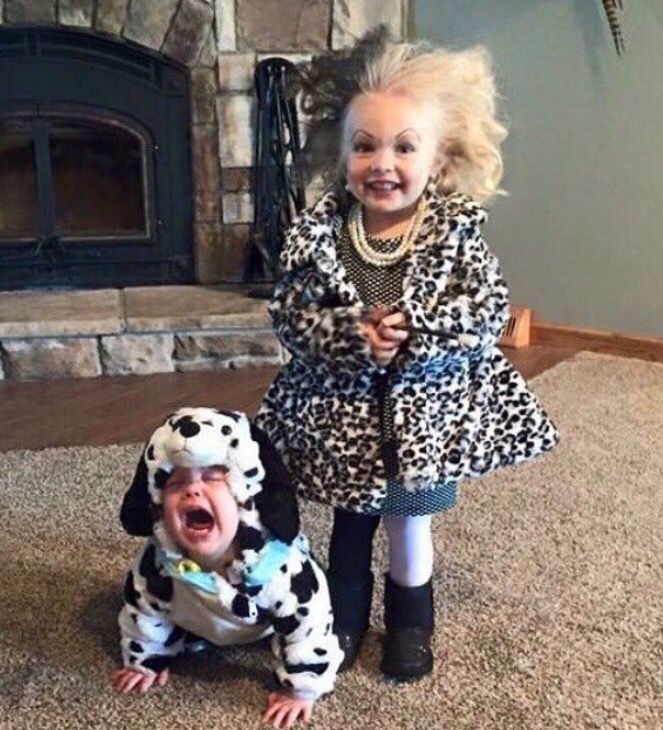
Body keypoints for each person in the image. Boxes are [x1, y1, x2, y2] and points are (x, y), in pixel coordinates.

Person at [255, 26, 560, 682]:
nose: (381, 164)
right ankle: (339, 615)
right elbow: (290, 316)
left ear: (438, 159)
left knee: (407, 528)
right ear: (340, 156)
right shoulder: (319, 237)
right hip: (343, 421)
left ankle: (412, 621)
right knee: (349, 526)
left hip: (422, 422)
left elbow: (482, 313)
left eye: (402, 147)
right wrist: (346, 334)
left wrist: (417, 328)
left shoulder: (454, 235)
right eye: (363, 147)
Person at [112, 407, 343, 729]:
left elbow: (310, 627)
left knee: (304, 618)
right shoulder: (159, 563)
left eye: (211, 478)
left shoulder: (280, 571)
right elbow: (145, 609)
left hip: (260, 625)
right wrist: (146, 658)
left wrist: (303, 691)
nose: (193, 490)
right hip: (196, 622)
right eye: (176, 483)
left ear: (243, 497)